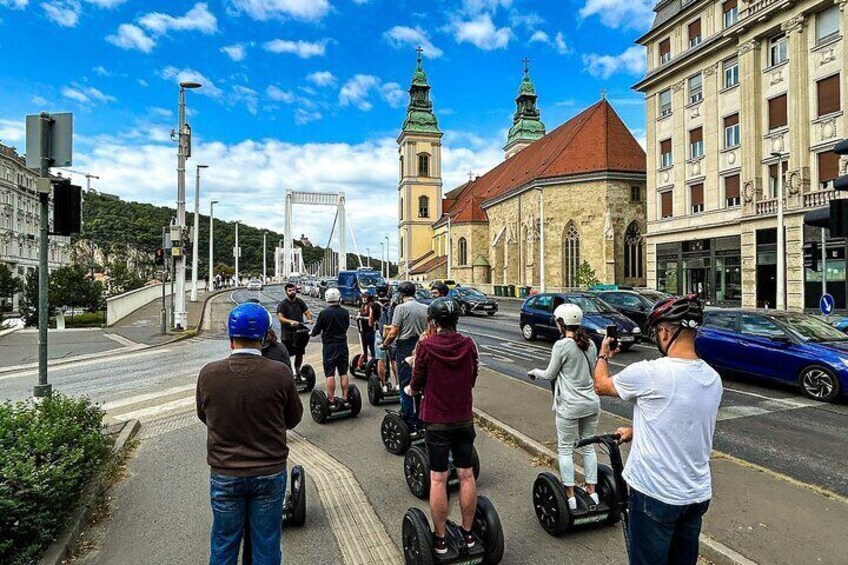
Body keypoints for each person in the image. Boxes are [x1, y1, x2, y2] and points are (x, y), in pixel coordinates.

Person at [592, 294, 722, 565]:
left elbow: (601, 385)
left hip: (656, 494)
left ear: (664, 332)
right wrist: (636, 430)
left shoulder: (651, 372)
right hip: (696, 495)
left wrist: (604, 352)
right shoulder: (712, 377)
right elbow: (683, 422)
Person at [196, 302, 304, 565]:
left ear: (231, 337)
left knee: (224, 542)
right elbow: (293, 418)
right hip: (268, 470)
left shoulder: (209, 374)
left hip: (225, 473)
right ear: (265, 335)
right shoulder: (279, 373)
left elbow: (204, 416)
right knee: (266, 543)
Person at [405, 297, 479, 555]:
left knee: (438, 478)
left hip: (436, 420)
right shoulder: (468, 345)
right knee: (466, 474)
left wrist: (412, 389)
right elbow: (472, 377)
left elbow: (417, 380)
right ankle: (469, 534)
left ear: (434, 322)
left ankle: (440, 539)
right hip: (463, 418)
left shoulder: (426, 346)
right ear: (456, 320)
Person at [527, 304, 600, 510]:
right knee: (588, 448)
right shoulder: (591, 344)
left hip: (570, 405)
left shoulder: (562, 345)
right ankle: (592, 493)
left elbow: (550, 374)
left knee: (566, 449)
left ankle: (570, 496)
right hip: (592, 403)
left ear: (560, 323)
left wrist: (534, 372)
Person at [382, 281, 428, 427]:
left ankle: (408, 417)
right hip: (421, 345)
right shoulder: (425, 308)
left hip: (405, 346)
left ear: (401, 294)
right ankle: (421, 417)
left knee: (405, 383)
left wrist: (385, 344)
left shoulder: (400, 309)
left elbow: (394, 331)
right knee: (420, 382)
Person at [311, 288, 350, 405]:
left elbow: (317, 329)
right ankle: (345, 397)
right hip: (342, 344)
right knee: (343, 372)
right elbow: (347, 325)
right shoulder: (345, 312)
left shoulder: (324, 313)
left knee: (330, 374)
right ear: (338, 297)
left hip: (329, 346)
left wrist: (311, 333)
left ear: (327, 298)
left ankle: (331, 399)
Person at [276, 283, 313, 375]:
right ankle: (288, 372)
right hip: (287, 335)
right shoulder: (283, 304)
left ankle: (297, 371)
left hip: (299, 334)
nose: (292, 292)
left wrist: (309, 318)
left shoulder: (300, 302)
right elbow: (280, 318)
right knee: (286, 355)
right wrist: (290, 322)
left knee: (299, 353)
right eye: (289, 291)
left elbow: (307, 312)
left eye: (293, 290)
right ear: (286, 292)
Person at [356, 293, 377, 363]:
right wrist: (358, 316)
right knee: (364, 344)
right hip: (363, 329)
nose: (364, 299)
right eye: (363, 298)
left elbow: (372, 319)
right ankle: (364, 358)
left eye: (365, 298)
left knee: (371, 346)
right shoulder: (362, 306)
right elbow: (359, 314)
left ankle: (374, 359)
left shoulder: (371, 306)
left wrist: (361, 317)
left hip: (370, 329)